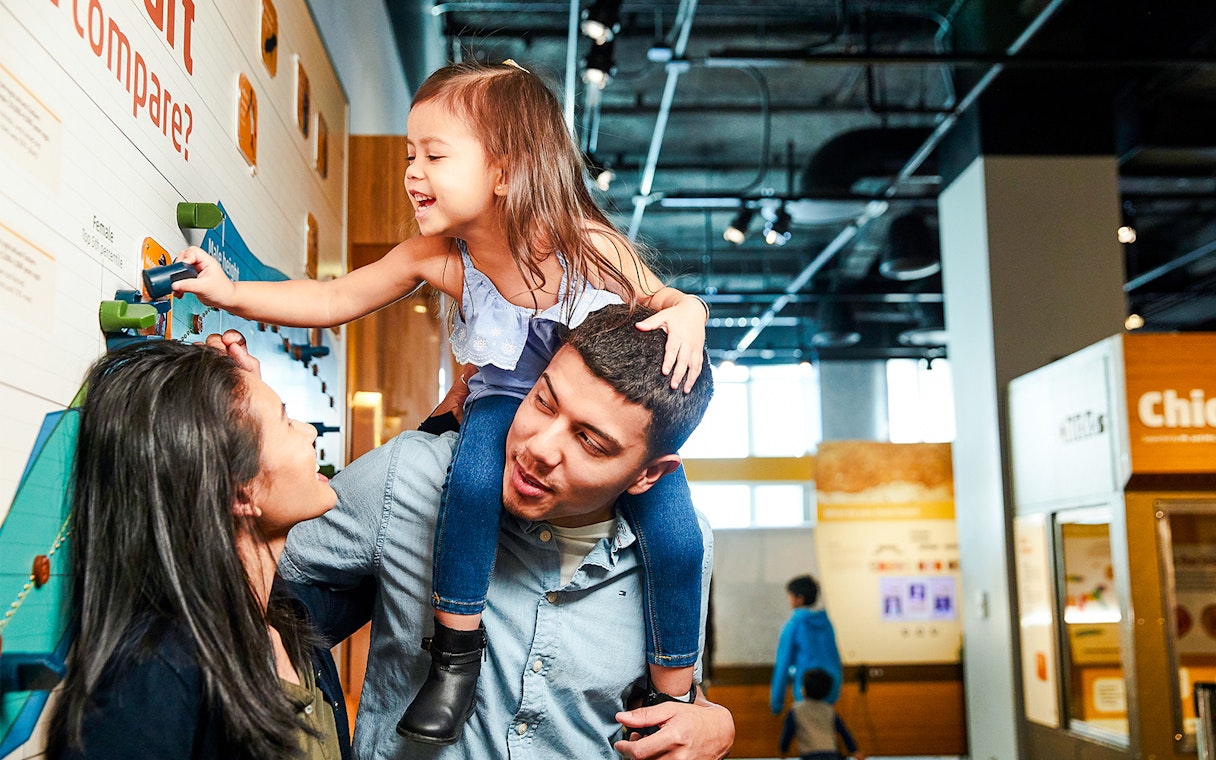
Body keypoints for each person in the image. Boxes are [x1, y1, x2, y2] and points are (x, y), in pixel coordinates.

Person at [173, 59, 710, 745]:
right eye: (407, 154)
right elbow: (334, 298)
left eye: (434, 154)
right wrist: (232, 292)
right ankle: (455, 657)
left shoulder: (586, 245)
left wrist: (687, 310)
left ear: (506, 170)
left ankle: (675, 692)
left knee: (681, 534)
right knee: (475, 480)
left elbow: (660, 298)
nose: (411, 172)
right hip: (505, 401)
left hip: (568, 402)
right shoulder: (441, 257)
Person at [274, 304, 734, 759]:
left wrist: (715, 722)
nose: (539, 447)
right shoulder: (411, 477)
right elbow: (240, 574)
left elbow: (669, 703)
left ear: (649, 474)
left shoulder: (684, 550)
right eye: (543, 401)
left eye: (590, 442)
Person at [46, 340, 344, 759]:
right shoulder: (150, 676)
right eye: (287, 421)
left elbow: (396, 528)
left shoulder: (287, 622)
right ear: (239, 491)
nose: (310, 431)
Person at [771, 575, 843, 714]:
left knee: (807, 731)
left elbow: (783, 664)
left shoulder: (794, 625)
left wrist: (777, 702)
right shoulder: (826, 623)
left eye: (789, 596)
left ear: (799, 599)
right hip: (831, 689)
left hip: (806, 689)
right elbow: (834, 658)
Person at [779, 669, 863, 760]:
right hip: (831, 754)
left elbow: (788, 734)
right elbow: (844, 732)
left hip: (810, 755)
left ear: (804, 690)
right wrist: (855, 751)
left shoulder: (795, 710)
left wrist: (783, 751)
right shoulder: (829, 709)